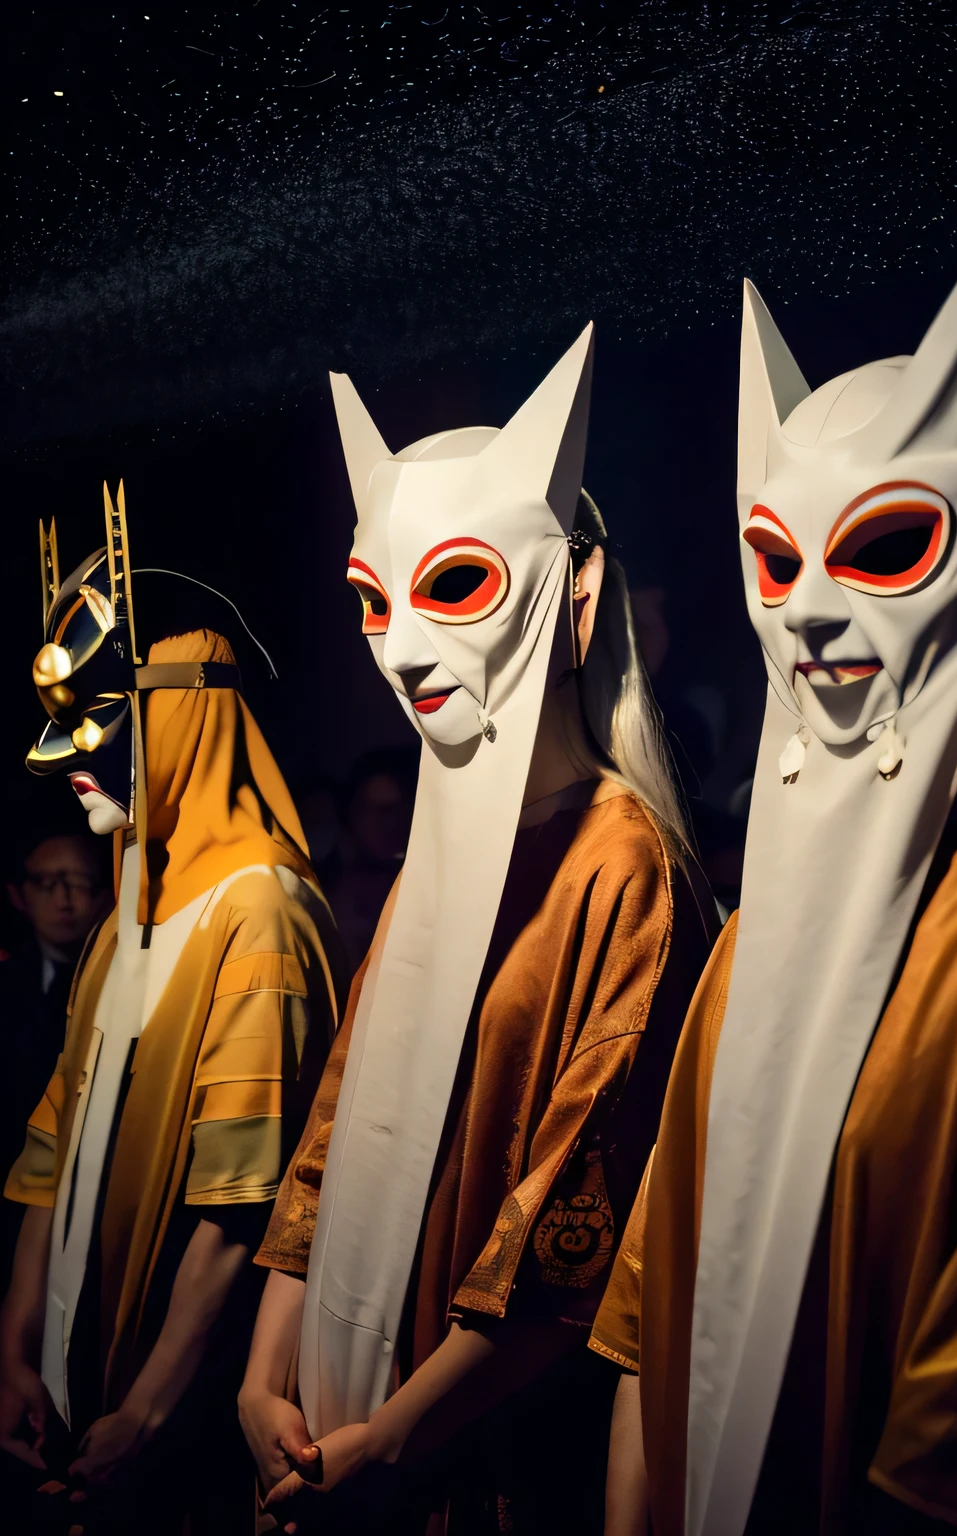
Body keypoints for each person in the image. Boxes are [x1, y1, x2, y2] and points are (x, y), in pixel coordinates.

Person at [237, 327, 718, 1533]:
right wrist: (259, 1383)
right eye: (372, 599)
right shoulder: (427, 873)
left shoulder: (622, 868)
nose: (401, 648)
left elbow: (575, 1218)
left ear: (578, 590)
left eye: (454, 586)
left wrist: (400, 1437)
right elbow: (334, 1132)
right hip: (335, 1419)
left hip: (471, 1456)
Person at [595, 210, 957, 1535]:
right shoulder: (752, 936)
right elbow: (654, 1296)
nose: (808, 608)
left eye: (883, 549)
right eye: (774, 560)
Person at [0, 485, 339, 1534]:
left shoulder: (261, 914)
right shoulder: (123, 914)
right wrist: (12, 1355)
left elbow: (241, 1204)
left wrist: (147, 1413)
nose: (66, 763)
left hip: (175, 1433)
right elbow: (51, 1153)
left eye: (99, 726)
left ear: (180, 716)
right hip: (71, 1393)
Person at [0, 826, 111, 1286]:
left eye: (79, 882)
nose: (64, 900)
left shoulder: (118, 985)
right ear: (19, 895)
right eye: (47, 883)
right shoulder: (10, 983)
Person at [321, 749, 417, 975]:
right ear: (352, 813)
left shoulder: (421, 884)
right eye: (372, 810)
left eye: (393, 810)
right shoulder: (329, 888)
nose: (385, 823)